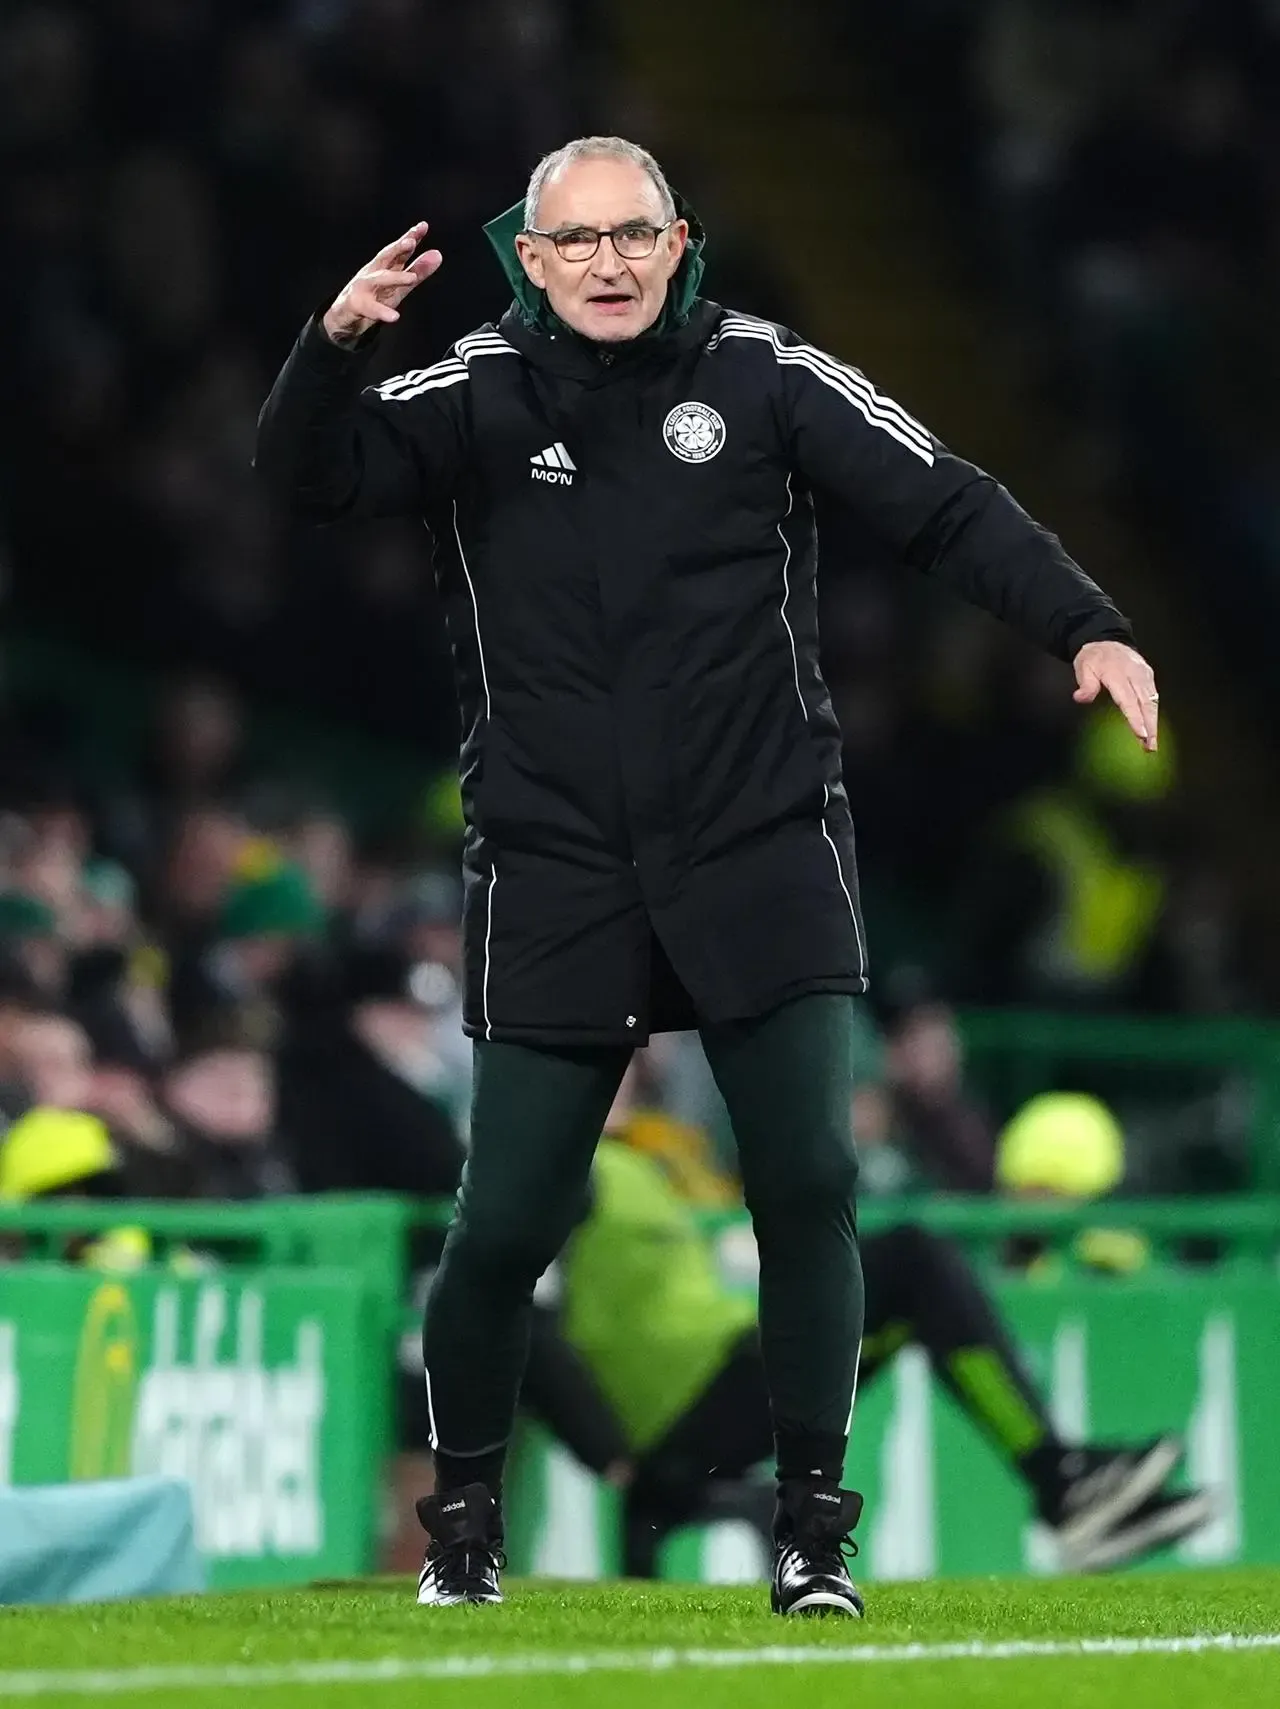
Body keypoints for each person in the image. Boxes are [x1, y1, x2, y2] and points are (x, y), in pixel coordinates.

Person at [255, 133, 1160, 1617]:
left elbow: (944, 497)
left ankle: (814, 1534)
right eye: (579, 241)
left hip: (762, 850)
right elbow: (307, 481)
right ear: (531, 261)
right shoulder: (468, 394)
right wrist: (331, 347)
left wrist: (1086, 624)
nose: (610, 262)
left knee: (807, 1186)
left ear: (678, 244)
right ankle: (464, 1529)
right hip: (555, 867)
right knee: (505, 1226)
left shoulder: (768, 373)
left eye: (637, 234)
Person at [565, 1089, 1212, 1579]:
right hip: (684, 1410)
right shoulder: (574, 1170)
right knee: (912, 1260)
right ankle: (1064, 1482)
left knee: (911, 1274)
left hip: (724, 1369)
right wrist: (603, 1446)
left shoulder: (648, 1159)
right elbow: (508, 1294)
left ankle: (1064, 1482)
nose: (633, 1063)